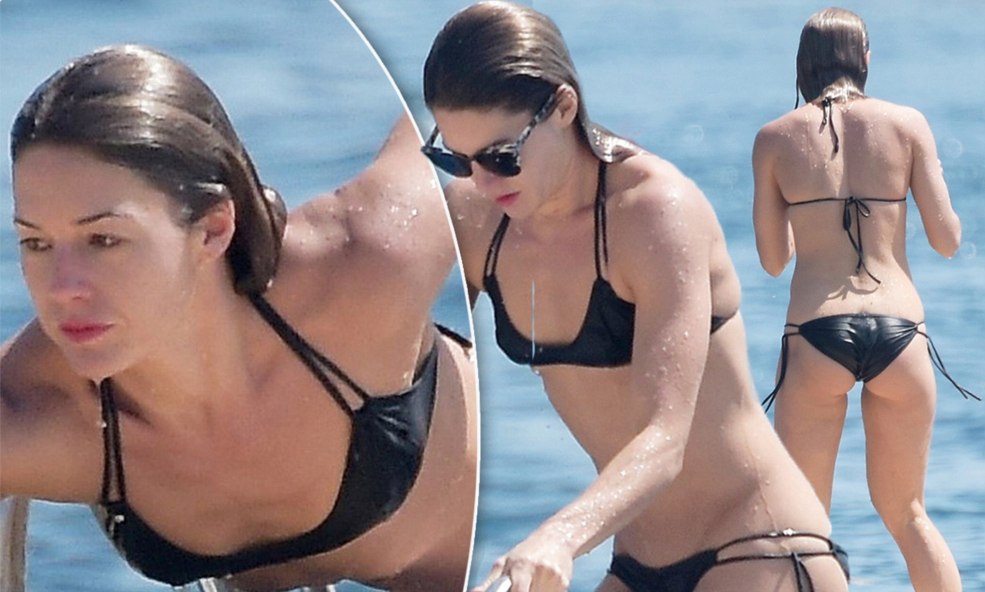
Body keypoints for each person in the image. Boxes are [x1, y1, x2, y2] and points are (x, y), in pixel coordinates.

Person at [0, 44, 477, 592]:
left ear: (213, 229)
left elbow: (479, 84)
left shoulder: (368, 262)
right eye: (36, 243)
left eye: (104, 239)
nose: (62, 289)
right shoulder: (37, 410)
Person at [423, 3, 850, 591]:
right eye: (455, 158)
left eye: (502, 157)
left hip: (761, 548)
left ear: (563, 106)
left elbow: (664, 439)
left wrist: (557, 537)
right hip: (634, 564)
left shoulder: (653, 213)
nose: (481, 181)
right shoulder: (478, 219)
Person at [752, 8, 978, 592]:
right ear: (865, 60)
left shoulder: (774, 138)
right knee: (908, 514)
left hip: (815, 333)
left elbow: (773, 261)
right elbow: (948, 240)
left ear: (803, 64)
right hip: (900, 332)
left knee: (806, 524)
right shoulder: (907, 124)